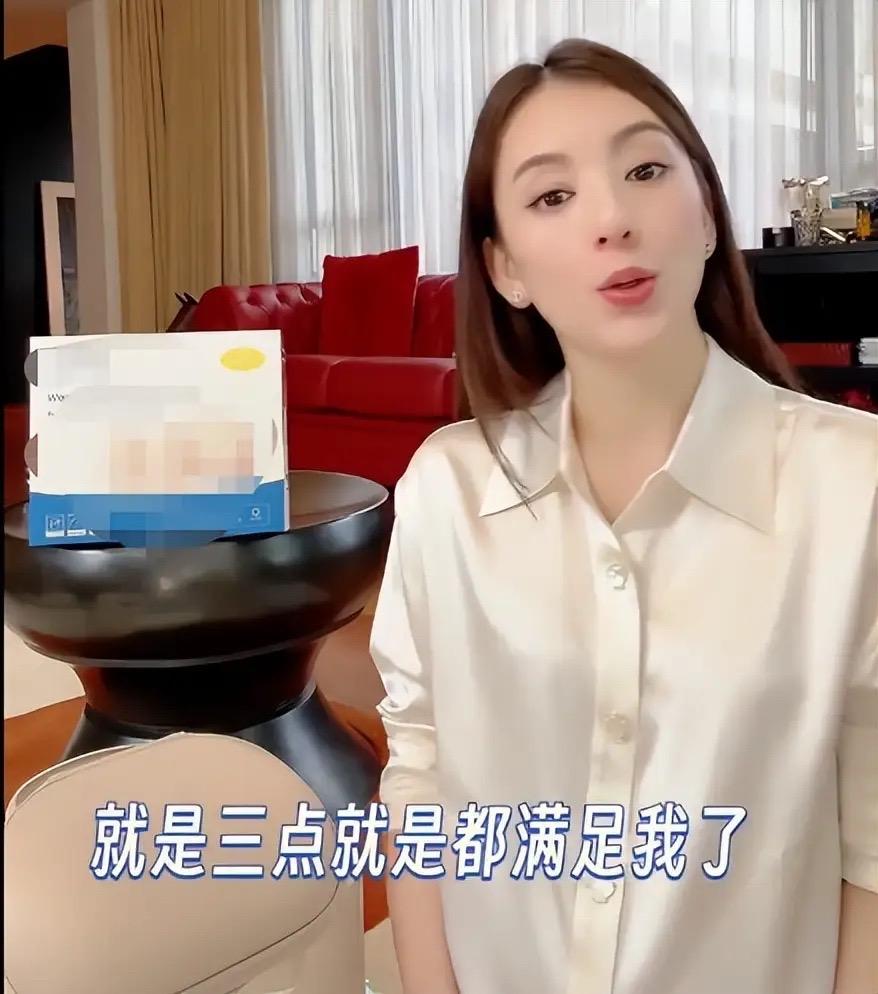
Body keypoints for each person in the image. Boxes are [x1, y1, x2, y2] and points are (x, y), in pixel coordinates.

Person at [369, 38, 878, 994]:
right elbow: (422, 784)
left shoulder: (855, 486)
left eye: (645, 171)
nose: (612, 220)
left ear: (706, 212)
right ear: (506, 268)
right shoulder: (448, 489)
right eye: (552, 196)